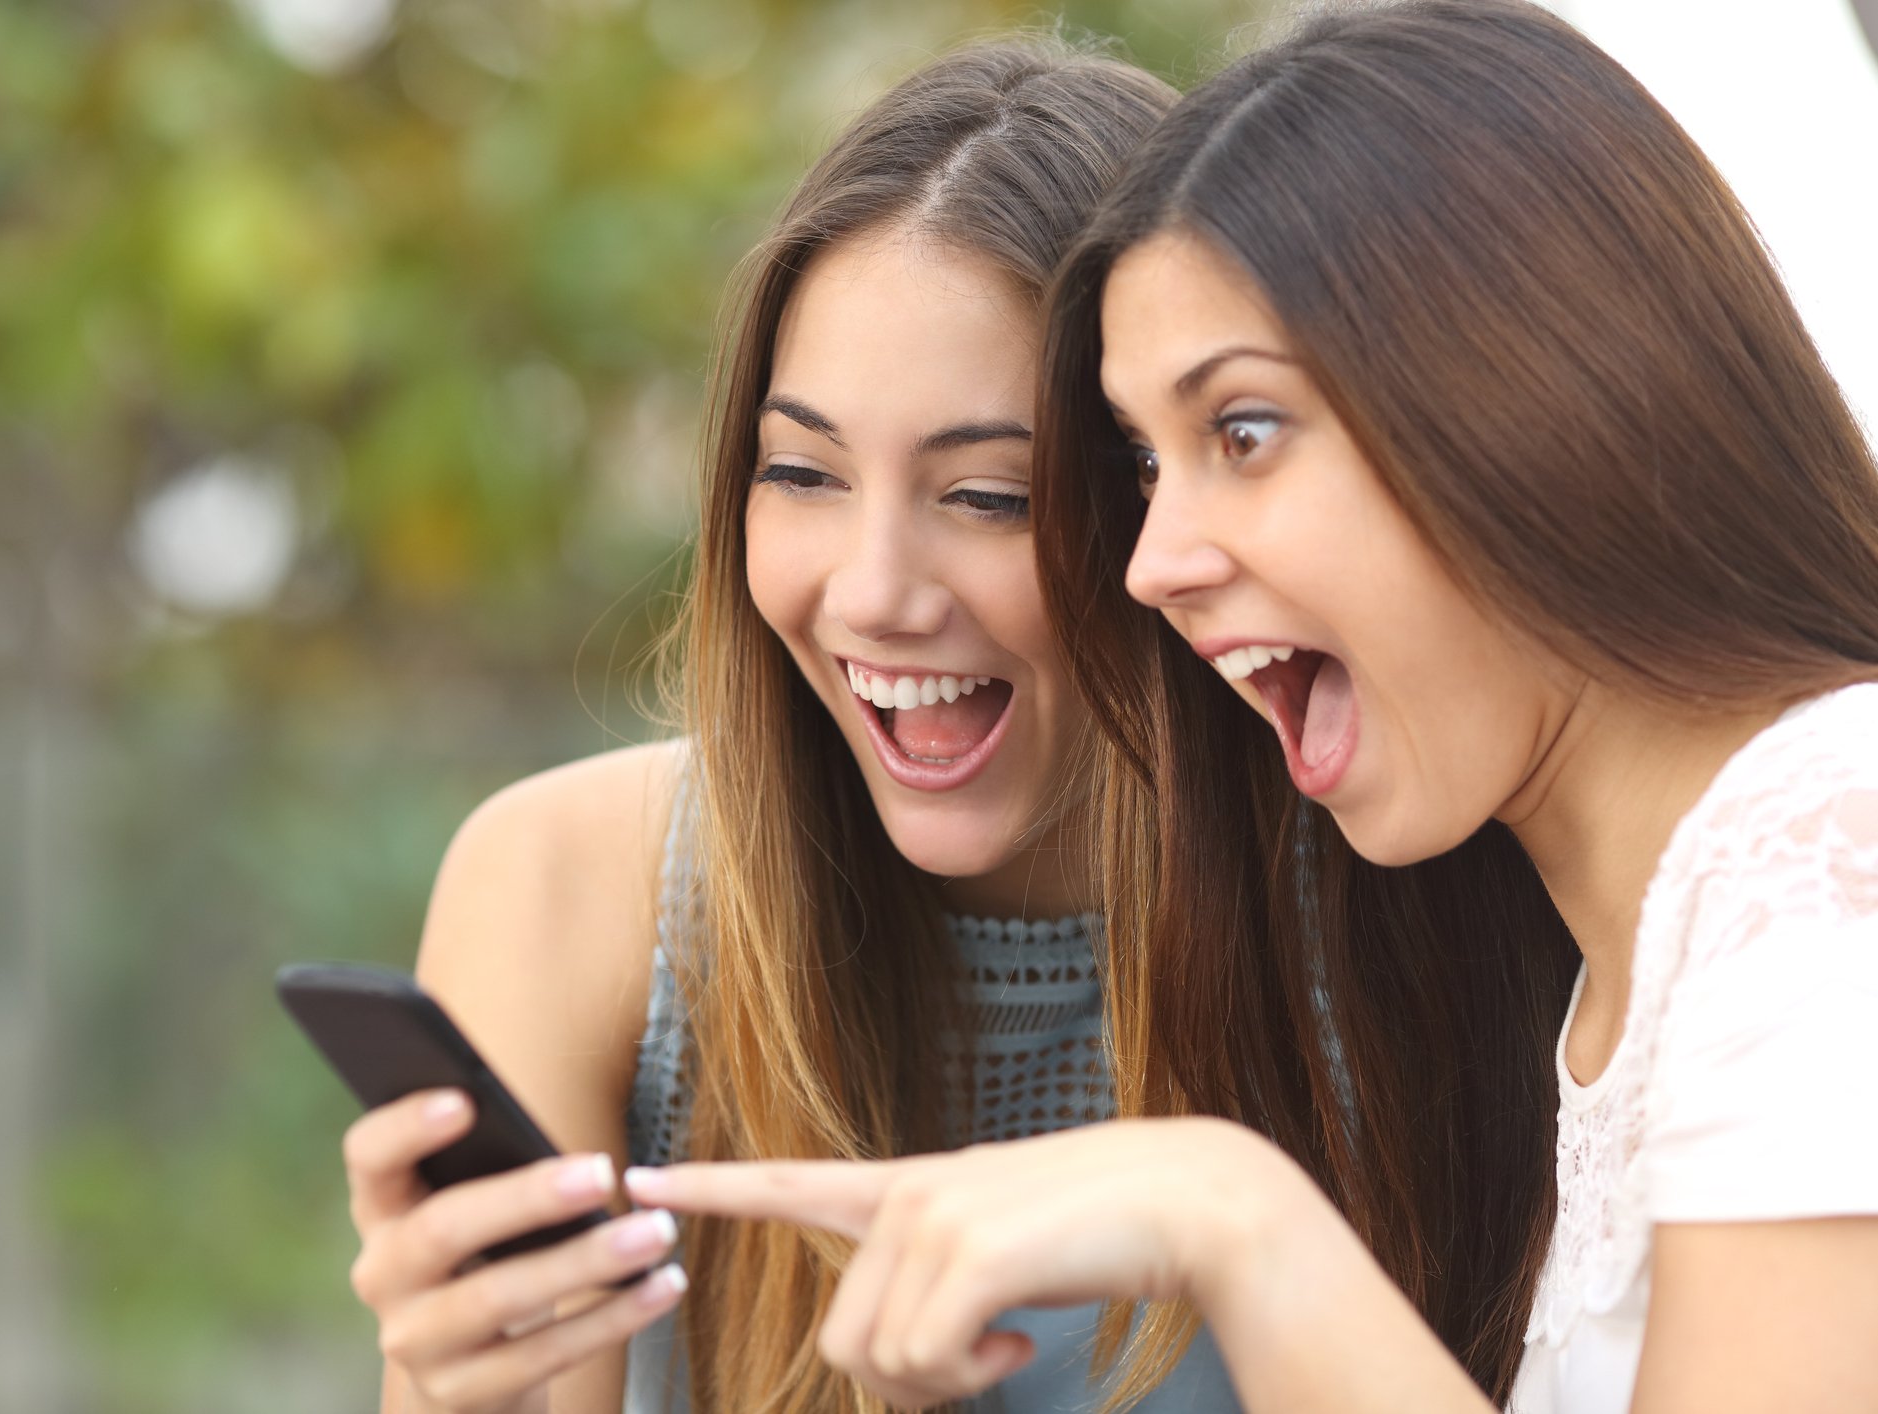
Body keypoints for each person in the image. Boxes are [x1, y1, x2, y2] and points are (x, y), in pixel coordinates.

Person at [626, 3, 1878, 1411]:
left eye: (1241, 431)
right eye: (1146, 471)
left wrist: (1236, 1217)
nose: (1150, 566)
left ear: (1535, 395)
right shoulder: (1625, 973)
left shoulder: (1828, 851)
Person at [334, 37, 1246, 1414]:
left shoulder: (1375, 917)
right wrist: (463, 1388)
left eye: (988, 495)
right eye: (802, 473)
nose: (869, 593)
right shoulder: (575, 887)